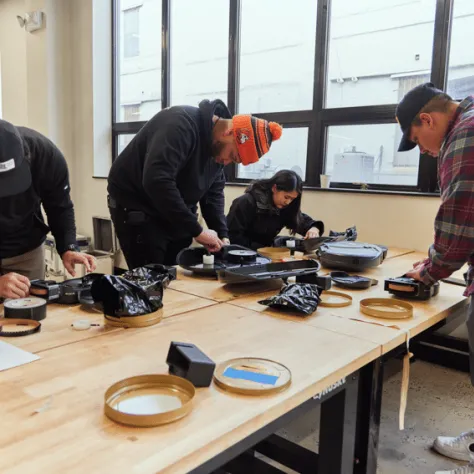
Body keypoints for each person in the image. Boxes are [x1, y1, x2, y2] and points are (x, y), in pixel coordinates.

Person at [395, 82, 474, 474]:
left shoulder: (463, 135)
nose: (426, 152)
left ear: (427, 119)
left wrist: (428, 272)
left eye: (419, 142)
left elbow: (460, 216)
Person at [107, 99, 282, 268]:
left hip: (175, 213)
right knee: (150, 280)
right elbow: (157, 180)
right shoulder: (180, 124)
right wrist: (197, 231)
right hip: (139, 208)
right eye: (233, 155)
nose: (227, 162)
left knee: (177, 278)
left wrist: (222, 234)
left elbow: (213, 193)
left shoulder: (217, 149)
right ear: (229, 133)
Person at [0, 120, 96, 300]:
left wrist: (68, 246)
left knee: (29, 314)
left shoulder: (45, 156)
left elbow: (60, 205)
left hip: (24, 249)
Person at [226, 170, 324, 250]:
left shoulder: (284, 206)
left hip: (266, 254)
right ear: (274, 188)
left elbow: (301, 221)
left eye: (292, 199)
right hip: (242, 255)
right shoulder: (245, 202)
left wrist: (314, 228)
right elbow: (233, 237)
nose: (288, 202)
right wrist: (264, 249)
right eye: (286, 197)